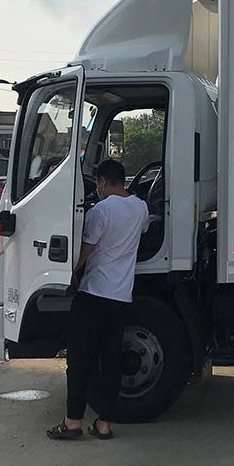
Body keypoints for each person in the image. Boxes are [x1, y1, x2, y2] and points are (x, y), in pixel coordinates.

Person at [47, 159, 150, 441]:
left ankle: (73, 422)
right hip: (121, 296)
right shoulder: (141, 208)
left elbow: (86, 251)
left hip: (93, 293)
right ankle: (104, 424)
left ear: (103, 182)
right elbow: (138, 236)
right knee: (112, 360)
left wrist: (66, 275)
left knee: (80, 360)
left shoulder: (101, 210)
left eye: (98, 184)